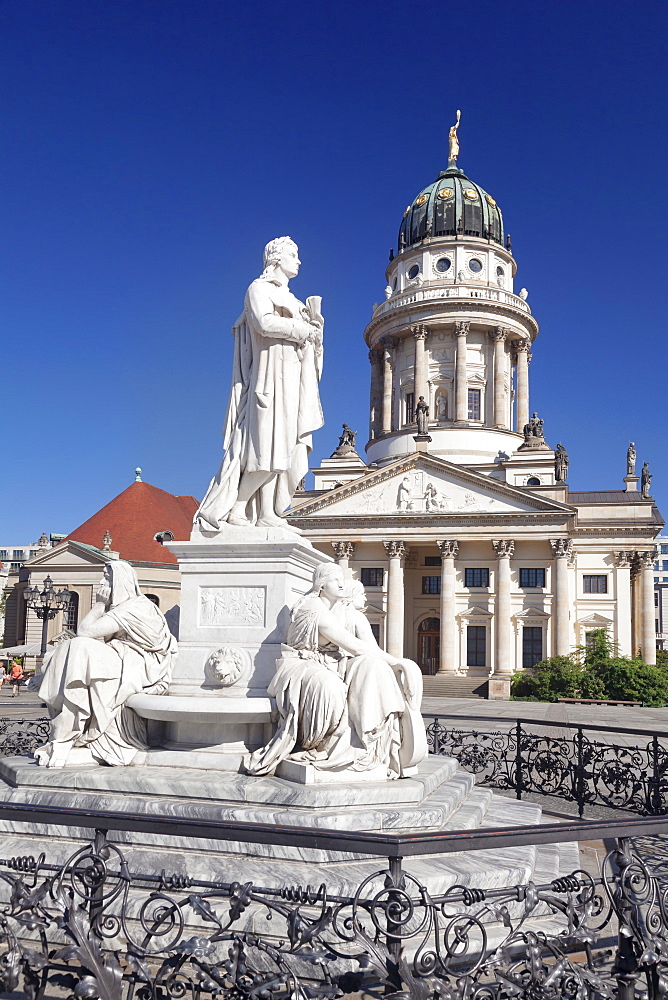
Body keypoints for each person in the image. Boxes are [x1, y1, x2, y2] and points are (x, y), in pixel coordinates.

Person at [244, 563, 425, 779]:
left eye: (342, 579)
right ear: (321, 584)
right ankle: (325, 746)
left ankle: (372, 743)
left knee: (373, 666)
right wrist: (396, 662)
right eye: (335, 579)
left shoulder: (334, 610)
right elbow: (353, 645)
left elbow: (365, 649)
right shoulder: (314, 608)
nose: (342, 583)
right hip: (302, 666)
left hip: (330, 662)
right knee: (331, 688)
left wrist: (393, 664)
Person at [194, 237, 324, 531]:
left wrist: (316, 329)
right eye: (295, 255)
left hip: (293, 382)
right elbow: (264, 324)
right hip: (268, 378)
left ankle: (267, 512)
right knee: (265, 447)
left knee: (286, 449)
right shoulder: (258, 289)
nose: (299, 261)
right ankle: (238, 506)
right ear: (277, 259)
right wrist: (303, 329)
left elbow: (309, 347)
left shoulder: (295, 301)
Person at [35, 560, 177, 768]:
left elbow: (86, 632)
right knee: (64, 650)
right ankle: (67, 726)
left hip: (139, 663)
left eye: (107, 577)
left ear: (120, 582)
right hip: (122, 655)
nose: (102, 582)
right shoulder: (124, 607)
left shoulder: (134, 607)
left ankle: (70, 730)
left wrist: (100, 604)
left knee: (79, 647)